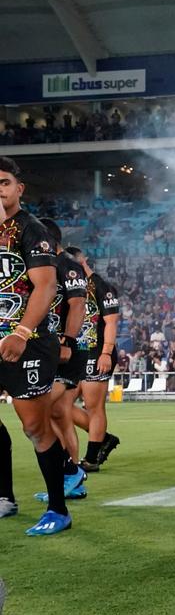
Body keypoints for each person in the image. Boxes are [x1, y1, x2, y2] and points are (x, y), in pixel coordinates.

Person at [0, 157, 76, 535]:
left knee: (34, 426)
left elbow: (45, 286)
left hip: (27, 342)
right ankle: (4, 498)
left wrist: (21, 332)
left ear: (18, 189)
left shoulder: (29, 230)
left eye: (4, 182)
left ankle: (59, 509)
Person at [40, 220, 89, 502]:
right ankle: (73, 479)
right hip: (48, 349)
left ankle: (71, 469)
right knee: (59, 415)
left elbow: (78, 304)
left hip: (67, 351)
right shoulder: (43, 265)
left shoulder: (68, 265)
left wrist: (68, 341)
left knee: (39, 410)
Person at [65, 248, 121, 471]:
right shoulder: (72, 286)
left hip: (96, 350)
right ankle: (103, 439)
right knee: (60, 405)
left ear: (84, 260)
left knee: (93, 405)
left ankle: (91, 457)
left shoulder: (100, 286)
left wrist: (106, 353)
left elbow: (111, 322)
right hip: (77, 351)